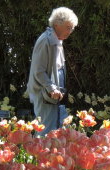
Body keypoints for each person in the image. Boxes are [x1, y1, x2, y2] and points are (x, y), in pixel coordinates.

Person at [26, 7, 78, 136]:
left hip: (52, 96)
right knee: (46, 131)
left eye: (72, 28)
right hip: (45, 95)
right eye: (68, 27)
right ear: (56, 25)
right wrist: (51, 88)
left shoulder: (56, 40)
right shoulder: (46, 41)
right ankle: (40, 155)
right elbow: (38, 71)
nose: (70, 31)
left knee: (54, 131)